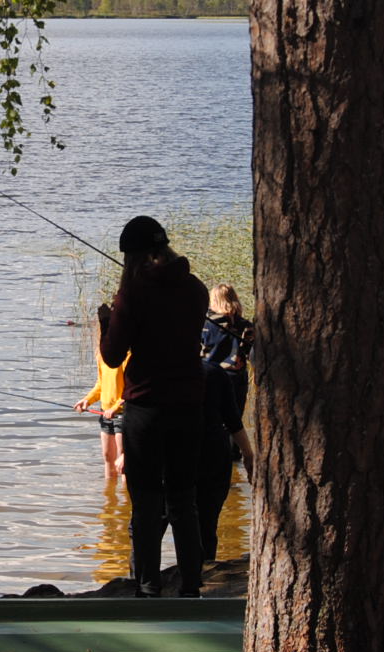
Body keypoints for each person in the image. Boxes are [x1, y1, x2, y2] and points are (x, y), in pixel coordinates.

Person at [99, 215, 209, 597]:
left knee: (145, 502)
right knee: (183, 499)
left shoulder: (133, 294)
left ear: (134, 258)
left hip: (146, 409)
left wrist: (106, 323)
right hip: (189, 407)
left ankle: (148, 586)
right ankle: (192, 586)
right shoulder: (196, 289)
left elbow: (112, 357)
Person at [195, 359, 256, 563]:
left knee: (154, 523)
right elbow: (233, 420)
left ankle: (144, 586)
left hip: (177, 456)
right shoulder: (213, 372)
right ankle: (199, 581)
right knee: (207, 525)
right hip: (213, 455)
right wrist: (248, 454)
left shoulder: (160, 369)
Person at [73, 344, 129, 480]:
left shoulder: (127, 357)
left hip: (122, 414)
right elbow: (100, 385)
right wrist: (87, 400)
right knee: (107, 456)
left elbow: (130, 389)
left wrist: (115, 408)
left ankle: (126, 497)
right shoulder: (101, 357)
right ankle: (109, 497)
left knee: (122, 461)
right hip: (105, 414)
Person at [201, 283, 254, 419]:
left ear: (213, 300)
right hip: (236, 380)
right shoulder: (246, 326)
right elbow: (252, 354)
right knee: (234, 422)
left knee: (210, 420)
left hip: (210, 377)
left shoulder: (205, 323)